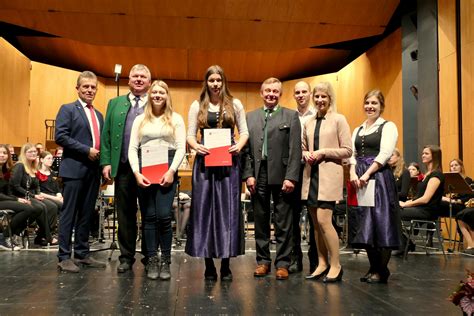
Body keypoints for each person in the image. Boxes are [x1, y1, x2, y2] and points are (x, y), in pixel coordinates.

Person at [185, 65, 249, 281]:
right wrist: (196, 147)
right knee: (204, 213)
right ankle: (208, 265)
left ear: (223, 82)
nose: (215, 84)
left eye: (218, 80)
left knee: (228, 213)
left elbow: (245, 132)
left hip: (228, 164)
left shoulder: (235, 104)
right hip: (205, 165)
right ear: (206, 82)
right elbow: (190, 135)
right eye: (211, 80)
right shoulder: (197, 105)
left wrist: (238, 146)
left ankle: (226, 264)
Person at [243, 77, 301, 280]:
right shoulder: (250, 117)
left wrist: (291, 177)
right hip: (258, 175)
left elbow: (296, 150)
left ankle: (283, 263)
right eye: (267, 90)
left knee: (283, 221)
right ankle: (263, 262)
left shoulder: (292, 116)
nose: (271, 94)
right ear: (261, 93)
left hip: (282, 174)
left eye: (275, 91)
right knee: (260, 219)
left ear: (280, 94)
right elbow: (246, 151)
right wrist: (248, 175)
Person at [128, 80, 186, 280]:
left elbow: (181, 148)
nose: (158, 95)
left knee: (163, 216)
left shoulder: (176, 118)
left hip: (167, 167)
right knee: (149, 217)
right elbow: (132, 148)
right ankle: (152, 259)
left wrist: (171, 171)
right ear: (149, 95)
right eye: (154, 92)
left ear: (167, 95)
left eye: (162, 92)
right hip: (145, 167)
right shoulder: (139, 119)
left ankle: (166, 260)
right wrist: (136, 172)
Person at [101, 64, 152, 273]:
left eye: (143, 77)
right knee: (124, 214)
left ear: (149, 82)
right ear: (128, 80)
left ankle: (149, 256)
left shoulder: (157, 100)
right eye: (135, 76)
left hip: (150, 168)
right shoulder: (115, 103)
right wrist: (106, 162)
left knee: (149, 213)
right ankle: (126, 256)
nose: (139, 79)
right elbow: (106, 134)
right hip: (123, 168)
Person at [54, 70, 105, 273]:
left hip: (93, 172)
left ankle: (82, 254)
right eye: (86, 86)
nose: (90, 90)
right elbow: (61, 136)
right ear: (78, 88)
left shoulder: (99, 115)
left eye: (93, 87)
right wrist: (86, 150)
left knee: (86, 214)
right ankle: (64, 256)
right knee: (69, 214)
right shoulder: (68, 109)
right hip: (74, 170)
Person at [301, 82, 352, 283]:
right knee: (315, 224)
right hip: (311, 177)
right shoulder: (309, 122)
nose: (320, 100)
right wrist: (306, 154)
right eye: (317, 97)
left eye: (324, 96)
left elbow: (347, 150)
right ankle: (322, 263)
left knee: (324, 221)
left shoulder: (339, 119)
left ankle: (336, 265)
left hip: (329, 177)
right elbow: (303, 148)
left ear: (330, 98)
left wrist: (323, 152)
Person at [348, 89, 400, 284]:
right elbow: (351, 153)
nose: (370, 106)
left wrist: (367, 174)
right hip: (359, 178)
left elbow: (385, 153)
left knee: (381, 221)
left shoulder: (388, 126)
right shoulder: (358, 129)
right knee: (365, 222)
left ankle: (382, 269)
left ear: (381, 106)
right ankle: (373, 267)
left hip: (378, 178)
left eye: (374, 103)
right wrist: (353, 172)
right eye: (367, 103)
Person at [290, 80, 318, 274]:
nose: (300, 95)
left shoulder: (318, 115)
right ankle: (295, 259)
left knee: (314, 216)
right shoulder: (290, 116)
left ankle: (316, 259)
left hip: (313, 170)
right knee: (291, 218)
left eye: (304, 92)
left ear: (310, 94)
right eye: (297, 92)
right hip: (293, 171)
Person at [9, 143, 58, 247]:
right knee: (42, 207)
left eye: (35, 151)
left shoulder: (32, 166)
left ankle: (42, 235)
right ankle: (47, 236)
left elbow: (36, 186)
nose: (33, 153)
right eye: (30, 151)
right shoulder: (20, 166)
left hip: (31, 195)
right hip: (20, 195)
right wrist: (33, 196)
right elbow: (16, 186)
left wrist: (38, 194)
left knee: (52, 207)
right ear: (24, 153)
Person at [399, 146, 445, 249]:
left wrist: (405, 204)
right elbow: (418, 197)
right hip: (419, 209)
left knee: (392, 213)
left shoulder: (436, 175)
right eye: (423, 153)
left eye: (426, 153)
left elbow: (425, 199)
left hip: (427, 211)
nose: (423, 155)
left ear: (435, 156)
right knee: (391, 209)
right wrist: (402, 202)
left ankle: (405, 243)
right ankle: (406, 242)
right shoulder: (427, 174)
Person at [0, 144, 40, 250]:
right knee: (27, 208)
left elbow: (8, 191)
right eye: (0, 153)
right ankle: (3, 237)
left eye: (4, 153)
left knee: (34, 208)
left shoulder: (6, 169)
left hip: (5, 199)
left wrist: (18, 199)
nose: (2, 155)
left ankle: (14, 234)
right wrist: (16, 199)